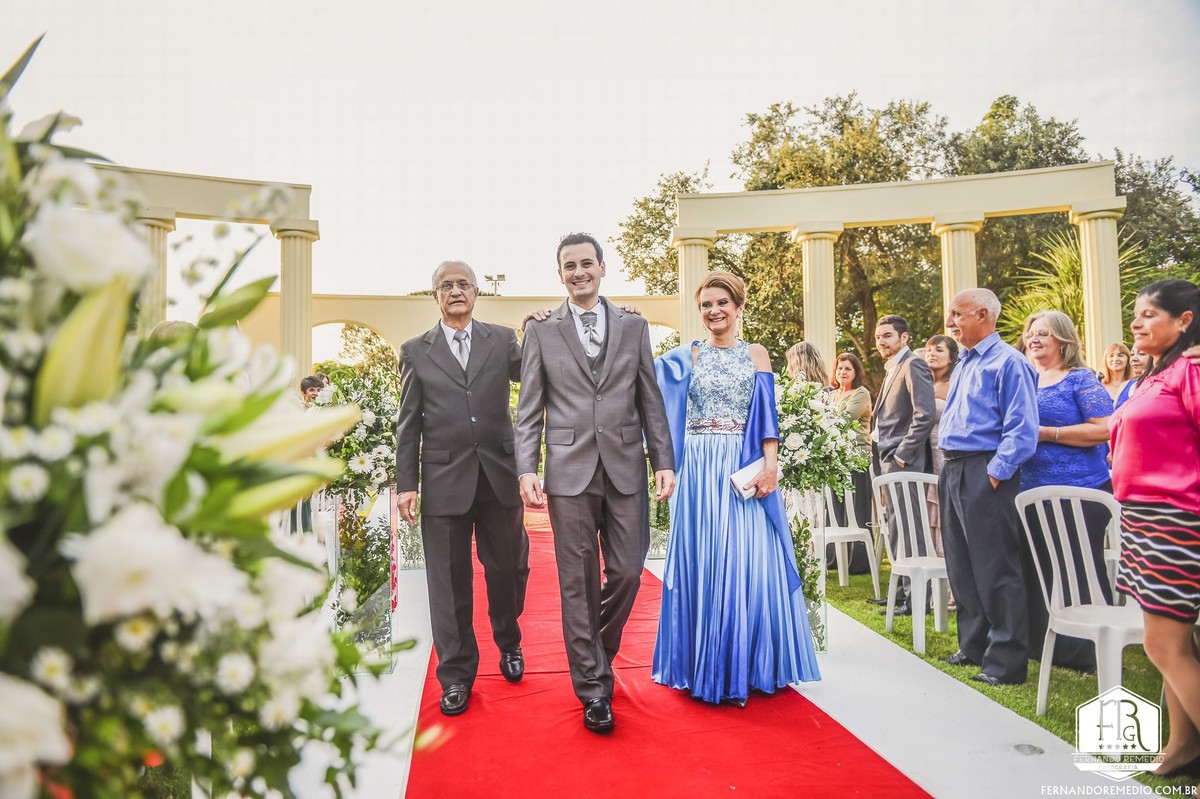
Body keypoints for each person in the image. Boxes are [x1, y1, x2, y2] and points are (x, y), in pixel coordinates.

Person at [515, 232, 675, 733]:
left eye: (587, 263)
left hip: (627, 465)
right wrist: (527, 468)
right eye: (569, 266)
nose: (579, 272)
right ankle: (592, 687)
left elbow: (650, 396)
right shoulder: (541, 331)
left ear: (603, 267)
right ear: (559, 274)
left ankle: (598, 652)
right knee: (575, 582)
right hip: (568, 471)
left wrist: (663, 460)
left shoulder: (634, 325)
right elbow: (529, 409)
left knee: (627, 571)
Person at [652, 270, 820, 706]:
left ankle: (750, 664)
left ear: (739, 307)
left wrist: (771, 466)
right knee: (703, 559)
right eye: (706, 304)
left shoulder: (757, 353)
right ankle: (699, 664)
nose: (714, 311)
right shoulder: (686, 354)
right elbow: (637, 374)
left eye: (722, 303)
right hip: (698, 466)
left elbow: (766, 416)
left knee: (749, 558)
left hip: (740, 467)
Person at [395, 260, 531, 717]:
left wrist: (546, 325)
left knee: (509, 568)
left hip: (499, 476)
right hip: (442, 482)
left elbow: (536, 373)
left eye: (462, 284)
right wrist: (406, 485)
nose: (455, 291)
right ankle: (455, 676)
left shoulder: (502, 340)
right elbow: (407, 423)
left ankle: (508, 641)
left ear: (476, 293)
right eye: (445, 285)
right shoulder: (416, 350)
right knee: (448, 585)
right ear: (434, 295)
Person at [1109, 280, 1200, 778]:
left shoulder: (1191, 368)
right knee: (1173, 643)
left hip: (1176, 517)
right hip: (1143, 517)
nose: (1137, 323)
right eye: (1136, 313)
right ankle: (1183, 746)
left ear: (1184, 320)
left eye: (1149, 314)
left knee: (1162, 645)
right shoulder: (1156, 374)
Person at [938, 288, 1039, 686]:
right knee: (962, 566)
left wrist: (995, 473)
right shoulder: (965, 362)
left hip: (985, 470)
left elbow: (1023, 428)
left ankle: (1006, 662)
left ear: (982, 314)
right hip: (954, 469)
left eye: (957, 314)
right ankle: (974, 646)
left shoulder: (1010, 363)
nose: (951, 323)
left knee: (996, 567)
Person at [1018, 310, 1114, 673]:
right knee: (1037, 565)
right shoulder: (1025, 378)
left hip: (1080, 490)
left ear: (1063, 339)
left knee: (1077, 565)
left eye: (1044, 333)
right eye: (1031, 333)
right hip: (1030, 489)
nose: (1035, 338)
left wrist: (1049, 433)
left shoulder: (1080, 379)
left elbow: (1105, 429)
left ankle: (1086, 650)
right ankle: (1039, 642)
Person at [868, 314, 936, 616]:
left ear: (904, 338)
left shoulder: (913, 365)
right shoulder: (892, 368)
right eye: (879, 336)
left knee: (911, 529)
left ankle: (916, 599)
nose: (881, 341)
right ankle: (900, 592)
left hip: (903, 462)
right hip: (887, 461)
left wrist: (901, 455)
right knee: (896, 527)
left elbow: (925, 415)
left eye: (888, 336)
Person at [828, 352, 872, 574]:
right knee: (836, 510)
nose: (842, 372)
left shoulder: (861, 394)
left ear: (856, 372)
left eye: (847, 369)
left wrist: (823, 416)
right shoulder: (832, 394)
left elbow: (844, 420)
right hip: (836, 458)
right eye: (839, 368)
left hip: (858, 458)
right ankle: (835, 557)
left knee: (857, 510)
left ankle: (860, 561)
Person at [924, 334, 959, 607]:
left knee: (945, 522)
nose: (932, 353)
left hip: (945, 455)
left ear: (951, 355)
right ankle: (930, 590)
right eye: (929, 349)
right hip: (924, 457)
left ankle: (950, 593)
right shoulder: (924, 384)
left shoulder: (954, 384)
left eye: (939, 349)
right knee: (928, 522)